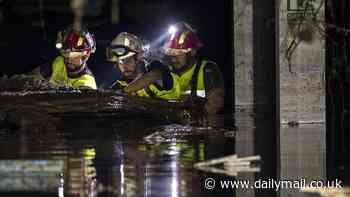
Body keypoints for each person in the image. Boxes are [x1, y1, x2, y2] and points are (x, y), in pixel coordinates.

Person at [162, 22, 225, 114]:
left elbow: (215, 106)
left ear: (193, 52)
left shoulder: (208, 70)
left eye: (179, 54)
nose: (173, 59)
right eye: (171, 54)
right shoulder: (165, 72)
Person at [107, 32, 180, 100]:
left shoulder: (156, 67)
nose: (124, 66)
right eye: (120, 63)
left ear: (139, 57)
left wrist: (124, 91)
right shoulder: (119, 85)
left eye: (128, 61)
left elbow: (150, 77)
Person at [32, 25, 97, 89]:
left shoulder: (87, 83)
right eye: (66, 55)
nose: (69, 60)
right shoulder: (59, 61)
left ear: (85, 56)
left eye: (74, 57)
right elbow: (34, 75)